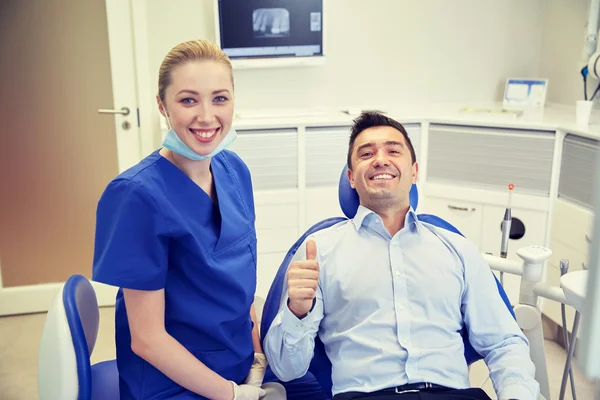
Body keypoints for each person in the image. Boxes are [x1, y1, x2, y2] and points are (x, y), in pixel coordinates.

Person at [263, 112, 540, 400]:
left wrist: (517, 394)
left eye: (393, 151)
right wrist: (297, 311)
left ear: (414, 171)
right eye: (366, 153)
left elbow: (504, 342)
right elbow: (286, 370)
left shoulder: (457, 249)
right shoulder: (317, 252)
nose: (380, 159)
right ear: (351, 178)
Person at [92, 39, 284, 400]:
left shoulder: (234, 170)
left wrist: (256, 355)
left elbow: (237, 284)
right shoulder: (136, 195)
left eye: (220, 98)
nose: (207, 116)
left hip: (239, 360)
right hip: (173, 382)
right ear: (162, 105)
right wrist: (232, 394)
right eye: (188, 100)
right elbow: (148, 340)